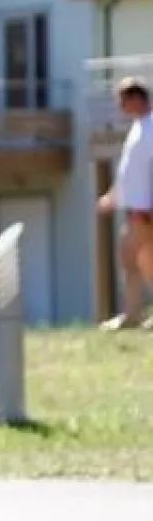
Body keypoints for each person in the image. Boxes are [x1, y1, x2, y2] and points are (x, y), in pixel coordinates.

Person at [98, 77, 153, 331]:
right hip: (137, 210)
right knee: (133, 261)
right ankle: (132, 314)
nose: (120, 107)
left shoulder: (150, 128)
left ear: (136, 99)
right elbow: (130, 173)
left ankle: (133, 315)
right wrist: (113, 196)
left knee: (137, 261)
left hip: (145, 211)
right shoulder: (139, 128)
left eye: (123, 100)